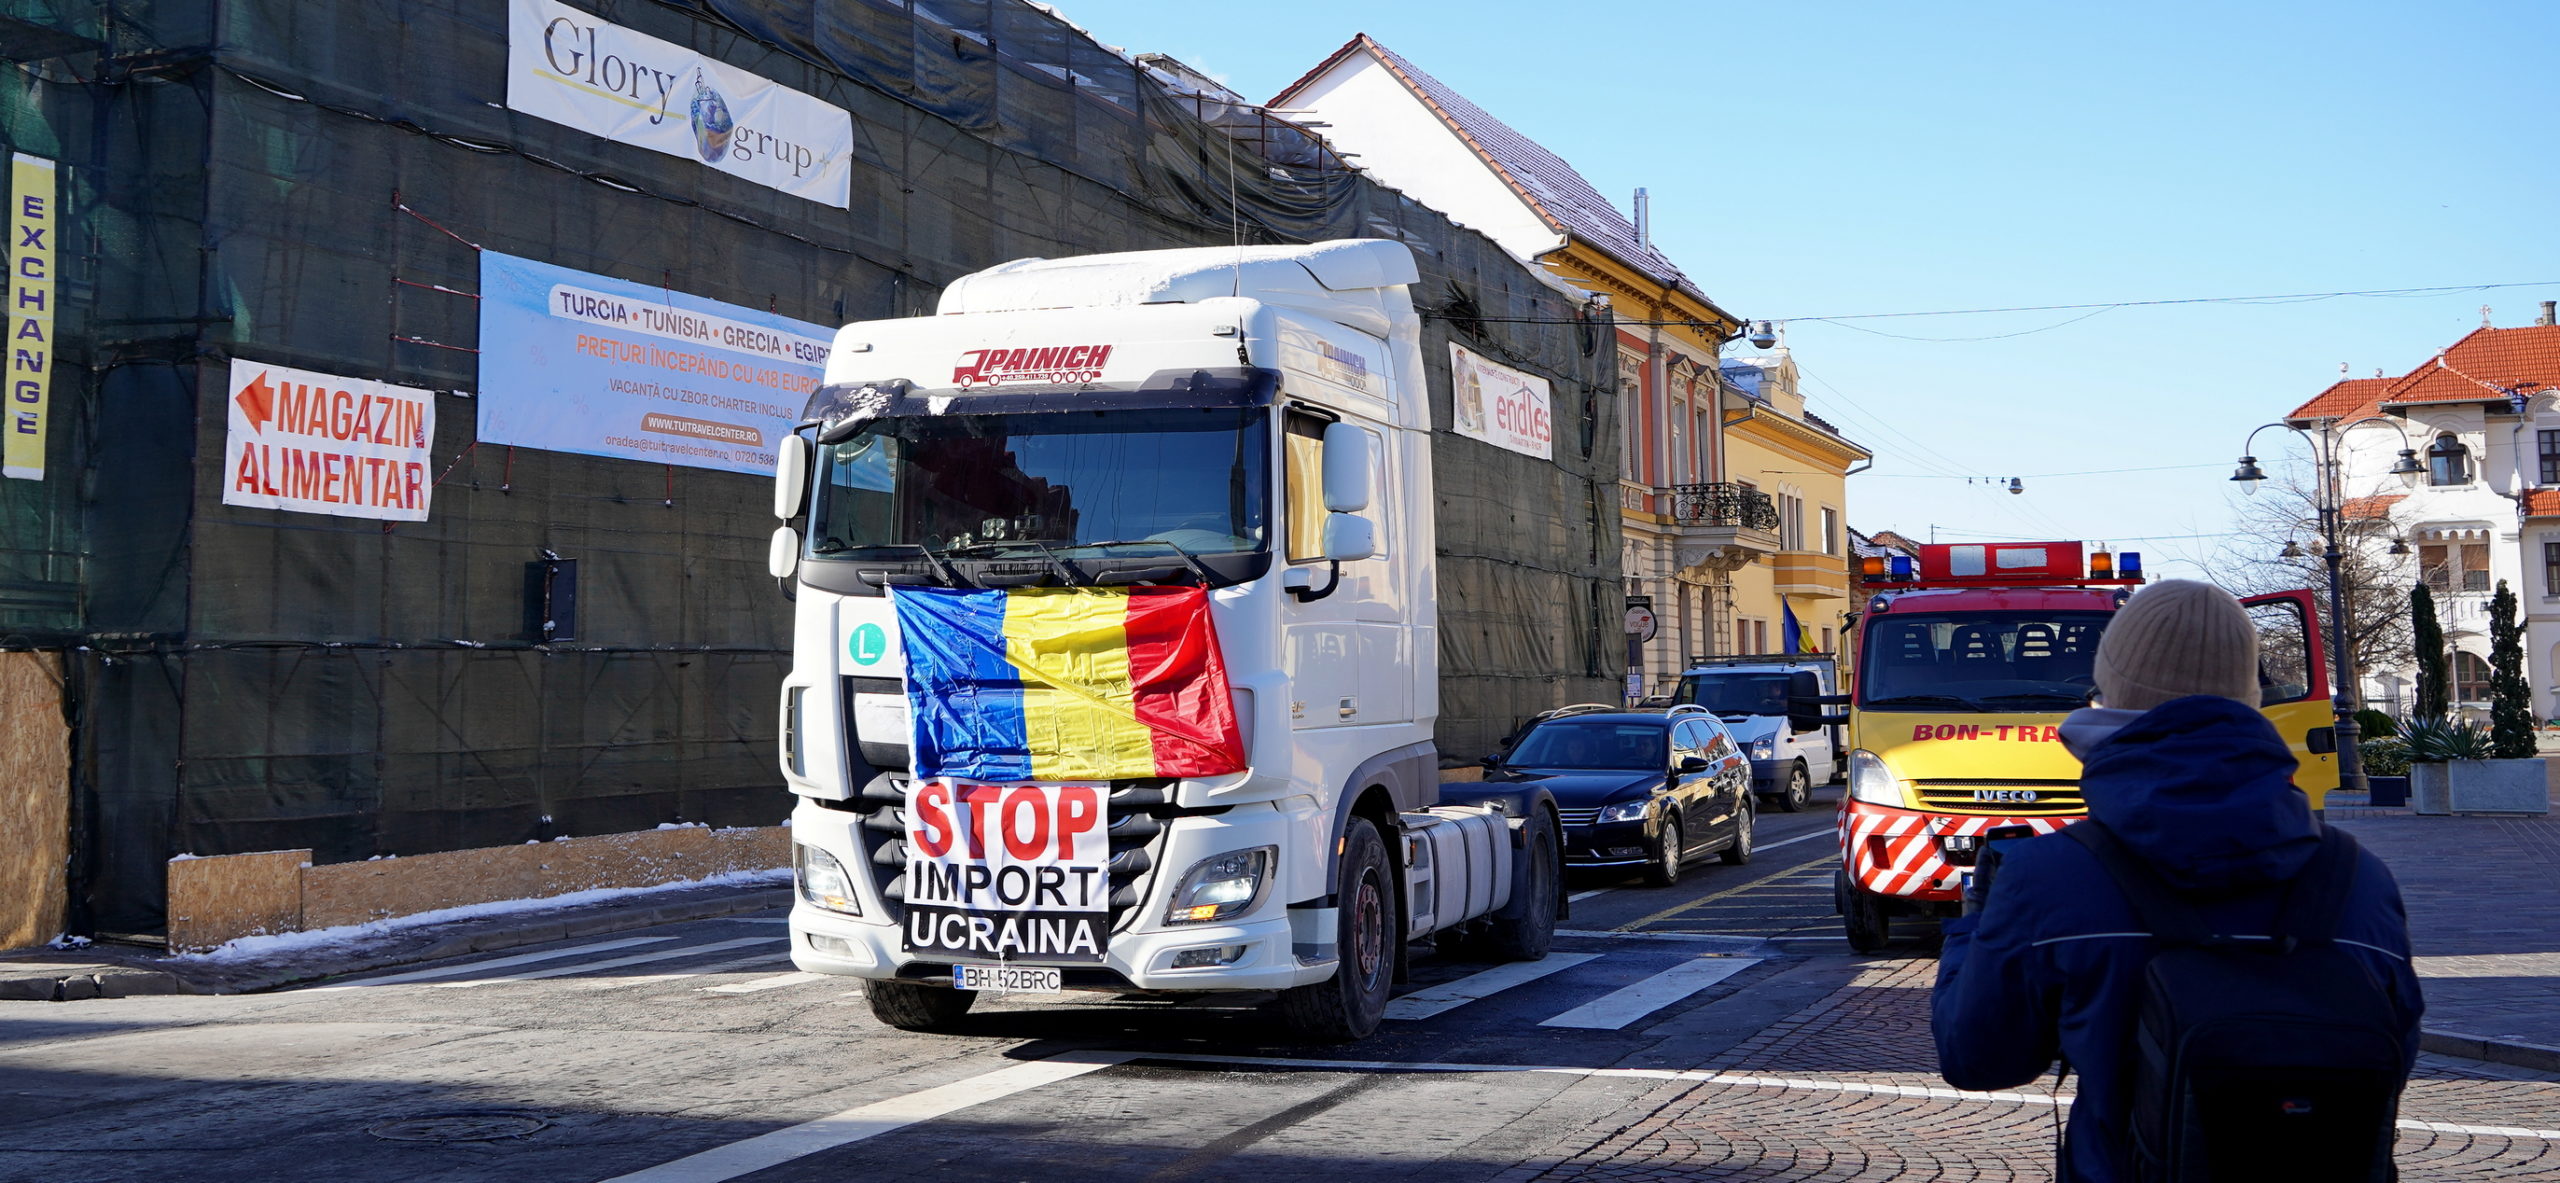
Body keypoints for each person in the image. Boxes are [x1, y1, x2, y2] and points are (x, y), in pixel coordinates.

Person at [1931, 579, 2423, 1182]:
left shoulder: (2051, 876)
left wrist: (1974, 923)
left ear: (2108, 690)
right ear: (2252, 694)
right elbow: (2389, 1061)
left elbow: (1977, 1058)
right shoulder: (2358, 878)